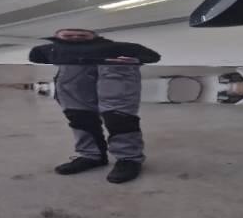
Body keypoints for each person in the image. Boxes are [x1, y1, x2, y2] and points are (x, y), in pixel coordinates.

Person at [29, 29, 160, 184]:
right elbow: (35, 56)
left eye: (82, 35)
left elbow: (152, 56)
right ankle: (91, 155)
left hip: (115, 73)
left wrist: (134, 59)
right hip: (73, 80)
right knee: (79, 117)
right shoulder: (53, 49)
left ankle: (129, 159)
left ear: (94, 36)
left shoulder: (117, 47)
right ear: (57, 36)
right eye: (68, 35)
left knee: (119, 118)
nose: (76, 37)